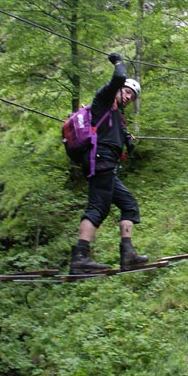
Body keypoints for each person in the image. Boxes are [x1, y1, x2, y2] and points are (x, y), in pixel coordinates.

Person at [69, 52, 149, 275]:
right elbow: (118, 77)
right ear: (119, 89)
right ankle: (80, 258)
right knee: (97, 208)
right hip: (99, 161)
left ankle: (128, 255)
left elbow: (122, 139)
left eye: (132, 97)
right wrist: (118, 62)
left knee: (129, 205)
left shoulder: (117, 116)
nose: (128, 98)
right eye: (127, 92)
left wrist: (129, 142)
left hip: (108, 166)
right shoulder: (104, 99)